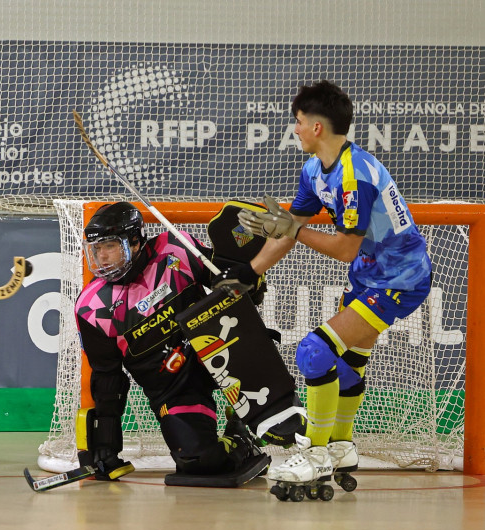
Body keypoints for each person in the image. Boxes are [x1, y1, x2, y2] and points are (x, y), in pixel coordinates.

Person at [220, 80, 433, 488]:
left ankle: (315, 454)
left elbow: (345, 248)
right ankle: (341, 446)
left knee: (314, 351)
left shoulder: (356, 176)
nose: (295, 129)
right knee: (347, 364)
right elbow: (289, 228)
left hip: (400, 279)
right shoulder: (313, 169)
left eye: (299, 122)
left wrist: (293, 229)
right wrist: (252, 271)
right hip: (370, 277)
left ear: (317, 127)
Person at [74, 201, 267, 486]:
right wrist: (105, 449)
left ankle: (247, 410)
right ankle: (238, 436)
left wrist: (247, 277)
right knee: (197, 462)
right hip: (174, 390)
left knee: (280, 421)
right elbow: (108, 380)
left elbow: (227, 281)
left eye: (110, 246)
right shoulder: (91, 308)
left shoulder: (174, 248)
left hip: (219, 353)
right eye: (96, 249)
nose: (101, 257)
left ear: (135, 241)